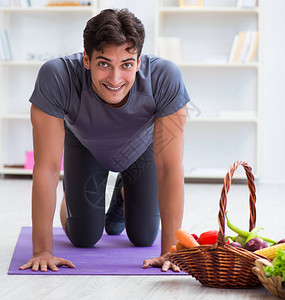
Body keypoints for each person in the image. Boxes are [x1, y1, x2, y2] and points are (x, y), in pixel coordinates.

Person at [19, 8, 190, 273]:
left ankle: (123, 193)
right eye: (103, 63)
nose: (115, 78)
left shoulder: (165, 77)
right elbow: (47, 168)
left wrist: (170, 252)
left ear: (139, 61)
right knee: (84, 237)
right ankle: (76, 197)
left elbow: (169, 168)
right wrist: (42, 250)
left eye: (126, 64)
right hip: (84, 144)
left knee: (144, 236)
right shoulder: (56, 76)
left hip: (141, 148)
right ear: (86, 59)